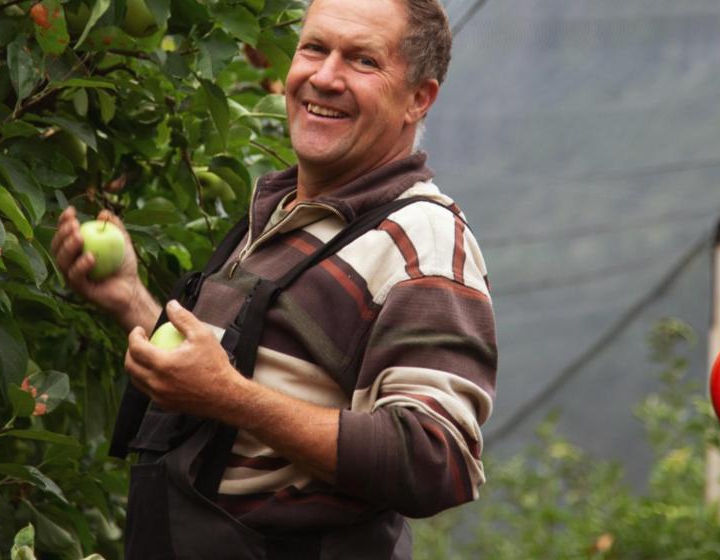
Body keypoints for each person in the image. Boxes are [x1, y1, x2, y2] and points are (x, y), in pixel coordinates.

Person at [50, 0, 497, 557]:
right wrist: (130, 300)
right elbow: (218, 387)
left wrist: (234, 398)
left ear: (418, 98)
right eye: (314, 48)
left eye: (362, 60)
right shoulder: (284, 215)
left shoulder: (421, 242)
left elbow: (439, 459)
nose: (325, 77)